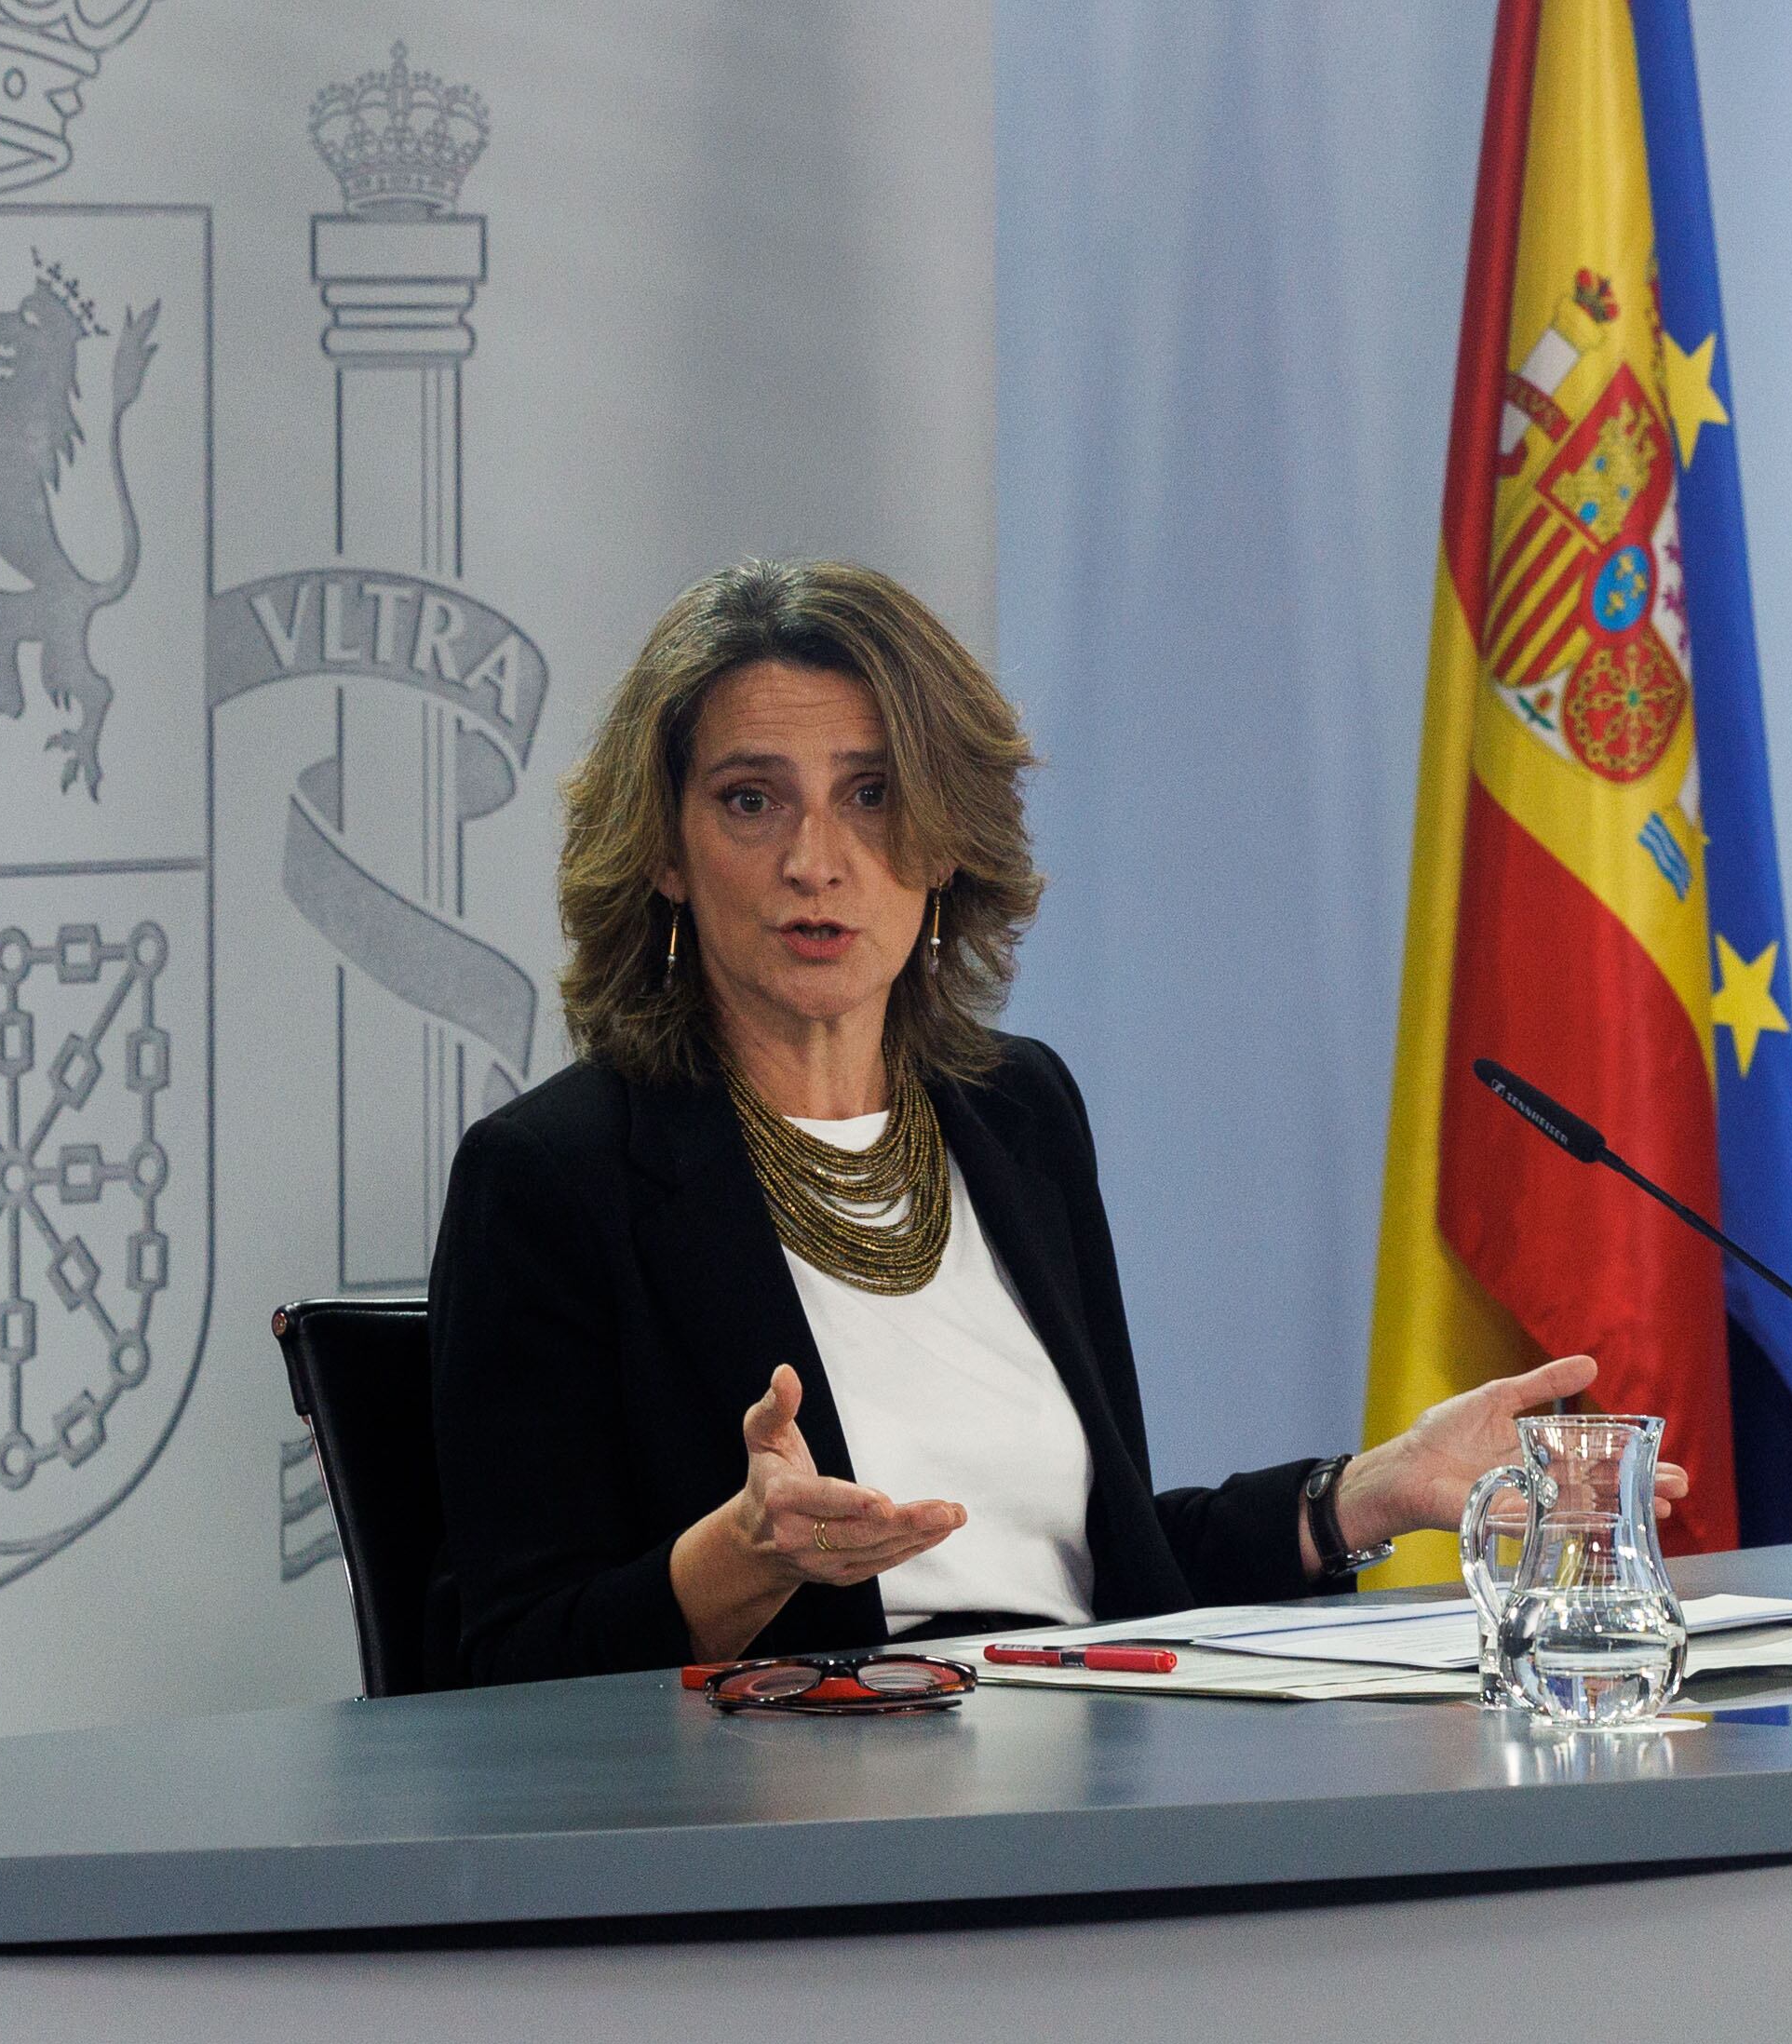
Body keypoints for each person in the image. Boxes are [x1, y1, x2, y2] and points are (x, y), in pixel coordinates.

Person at [427, 558, 1682, 1686]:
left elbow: (1106, 1564)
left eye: (869, 796)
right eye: (750, 801)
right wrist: (744, 1557)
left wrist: (1366, 1493)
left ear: (943, 842)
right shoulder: (555, 1176)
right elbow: (501, 1665)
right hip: (793, 1822)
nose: (815, 858)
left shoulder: (1012, 1113)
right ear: (664, 849)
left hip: (1089, 1762)